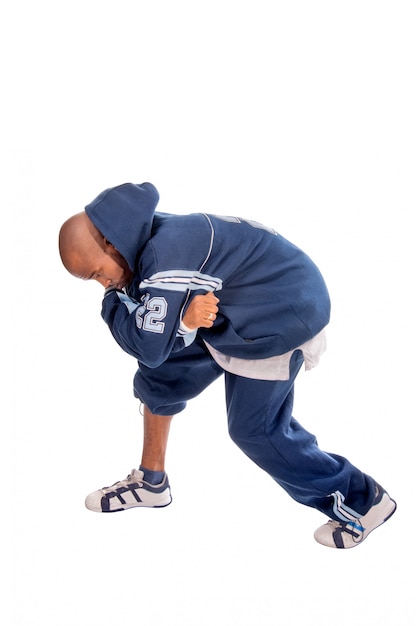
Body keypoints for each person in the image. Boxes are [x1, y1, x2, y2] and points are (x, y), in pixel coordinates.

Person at [58, 181, 396, 549]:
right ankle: (152, 482)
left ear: (111, 241)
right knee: (160, 379)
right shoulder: (141, 241)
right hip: (238, 309)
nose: (103, 283)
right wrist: (176, 320)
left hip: (280, 316)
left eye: (96, 274)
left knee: (256, 431)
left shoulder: (165, 256)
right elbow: (149, 342)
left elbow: (147, 345)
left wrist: (167, 319)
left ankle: (364, 500)